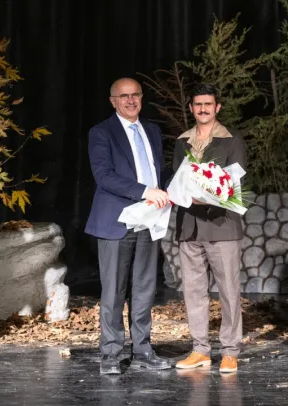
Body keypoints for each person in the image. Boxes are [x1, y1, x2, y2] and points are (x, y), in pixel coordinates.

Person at [85, 77, 172, 374]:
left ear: (142, 98)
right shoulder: (101, 132)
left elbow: (158, 172)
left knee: (145, 289)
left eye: (135, 95)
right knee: (113, 292)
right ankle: (111, 353)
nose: (131, 100)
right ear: (113, 101)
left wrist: (179, 186)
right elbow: (104, 176)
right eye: (124, 96)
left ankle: (143, 350)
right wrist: (146, 191)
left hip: (149, 220)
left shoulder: (152, 130)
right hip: (117, 222)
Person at [171, 83, 248, 374]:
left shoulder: (231, 139)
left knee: (229, 291)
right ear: (191, 108)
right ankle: (200, 349)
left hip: (221, 225)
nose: (203, 109)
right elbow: (176, 178)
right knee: (193, 291)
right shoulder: (182, 141)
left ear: (217, 107)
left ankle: (230, 351)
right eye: (198, 104)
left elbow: (235, 181)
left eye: (208, 104)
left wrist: (206, 194)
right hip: (189, 226)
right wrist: (183, 194)